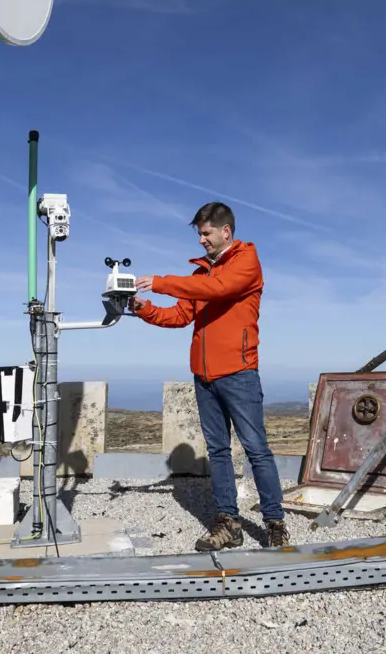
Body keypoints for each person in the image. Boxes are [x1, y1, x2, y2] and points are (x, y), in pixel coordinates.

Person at [129, 202, 288, 551]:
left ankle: (275, 522)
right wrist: (145, 309)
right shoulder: (202, 275)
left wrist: (160, 282)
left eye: (206, 233)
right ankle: (228, 523)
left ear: (225, 231)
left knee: (256, 449)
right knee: (218, 451)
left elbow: (218, 290)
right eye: (199, 234)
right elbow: (181, 316)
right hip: (204, 376)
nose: (201, 240)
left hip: (240, 372)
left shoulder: (246, 262)